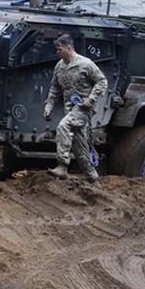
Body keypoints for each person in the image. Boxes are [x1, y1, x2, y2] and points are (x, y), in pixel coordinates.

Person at [43, 34, 107, 182]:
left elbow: (102, 81)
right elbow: (54, 88)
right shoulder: (59, 67)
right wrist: (49, 106)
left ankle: (62, 166)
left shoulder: (86, 64)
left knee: (63, 127)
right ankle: (93, 178)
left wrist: (91, 99)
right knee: (79, 146)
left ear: (69, 48)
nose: (57, 52)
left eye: (59, 49)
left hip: (83, 109)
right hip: (70, 109)